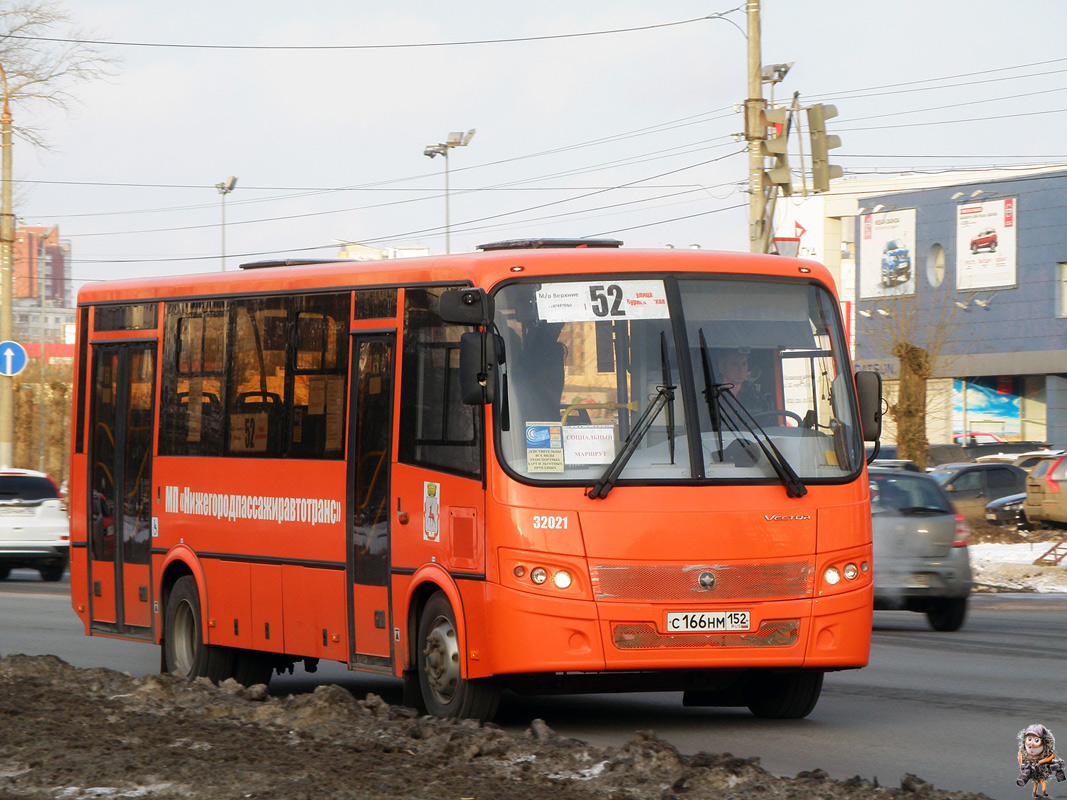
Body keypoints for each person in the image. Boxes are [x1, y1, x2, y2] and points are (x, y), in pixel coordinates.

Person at [714, 348, 771, 414]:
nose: (741, 370)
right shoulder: (711, 395)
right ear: (722, 367)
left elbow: (769, 420)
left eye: (744, 364)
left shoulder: (756, 397)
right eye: (734, 364)